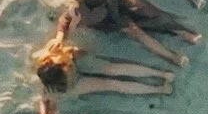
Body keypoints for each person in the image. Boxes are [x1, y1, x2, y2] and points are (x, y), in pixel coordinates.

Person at [60, 0, 199, 68]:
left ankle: (183, 33)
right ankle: (172, 57)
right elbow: (64, 24)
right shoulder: (78, 11)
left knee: (148, 13)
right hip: (110, 21)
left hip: (118, 3)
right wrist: (66, 32)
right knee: (137, 33)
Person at [34, 41, 174, 98]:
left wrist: (79, 55)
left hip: (76, 61)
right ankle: (158, 90)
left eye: (65, 64)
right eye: (66, 69)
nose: (68, 67)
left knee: (114, 69)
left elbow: (80, 51)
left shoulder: (55, 54)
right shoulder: (61, 87)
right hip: (75, 83)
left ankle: (161, 74)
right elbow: (45, 99)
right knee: (112, 84)